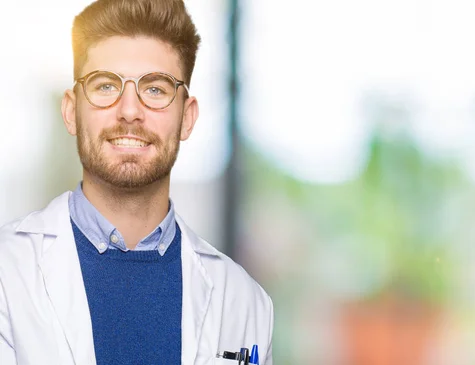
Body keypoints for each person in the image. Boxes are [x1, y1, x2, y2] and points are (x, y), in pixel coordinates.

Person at [0, 0, 273, 364]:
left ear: (187, 118)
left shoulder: (245, 302)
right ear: (71, 111)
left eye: (156, 89)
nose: (130, 111)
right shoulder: (8, 273)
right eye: (106, 86)